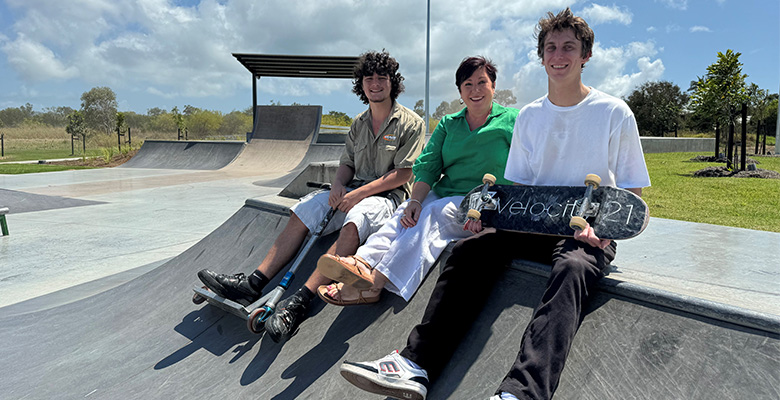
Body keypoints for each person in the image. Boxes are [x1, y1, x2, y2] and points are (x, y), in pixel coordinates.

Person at [338, 8, 651, 400]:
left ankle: (522, 392)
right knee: (471, 249)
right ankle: (415, 364)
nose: (559, 55)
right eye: (551, 47)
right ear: (541, 57)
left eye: (569, 47)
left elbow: (632, 193)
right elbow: (518, 187)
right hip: (533, 225)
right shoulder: (531, 117)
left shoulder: (613, 112)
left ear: (585, 54)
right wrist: (492, 218)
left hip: (586, 233)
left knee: (572, 268)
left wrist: (604, 233)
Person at [197, 50, 426, 343]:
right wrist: (338, 186)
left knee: (355, 222)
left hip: (386, 198)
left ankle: (299, 302)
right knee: (304, 208)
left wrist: (358, 195)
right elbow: (347, 163)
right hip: (352, 189)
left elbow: (403, 175)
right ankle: (254, 283)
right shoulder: (358, 123)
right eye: (369, 79)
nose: (375, 84)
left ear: (392, 83)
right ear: (362, 84)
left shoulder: (411, 122)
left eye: (382, 78)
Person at [314, 56, 519, 306]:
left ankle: (375, 283)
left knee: (433, 214)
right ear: (460, 91)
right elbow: (429, 167)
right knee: (405, 213)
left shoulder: (514, 120)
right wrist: (415, 200)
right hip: (446, 192)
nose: (475, 90)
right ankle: (362, 261)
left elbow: (529, 170)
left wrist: (494, 215)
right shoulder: (449, 123)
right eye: (467, 84)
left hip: (484, 201)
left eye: (481, 82)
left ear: (493, 86)